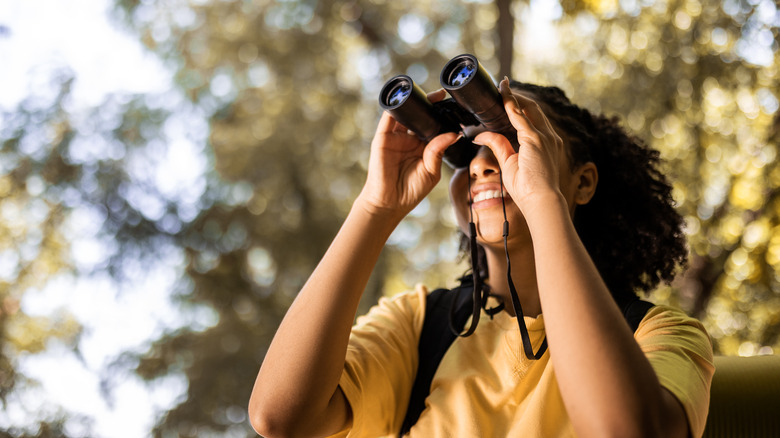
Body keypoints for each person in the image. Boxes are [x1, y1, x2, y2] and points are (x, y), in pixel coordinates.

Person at [248, 77, 714, 437]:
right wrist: (375, 208)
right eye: (466, 150)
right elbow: (279, 417)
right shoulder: (420, 323)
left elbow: (625, 431)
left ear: (583, 182)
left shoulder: (659, 333)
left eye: (510, 139)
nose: (481, 162)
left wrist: (543, 198)